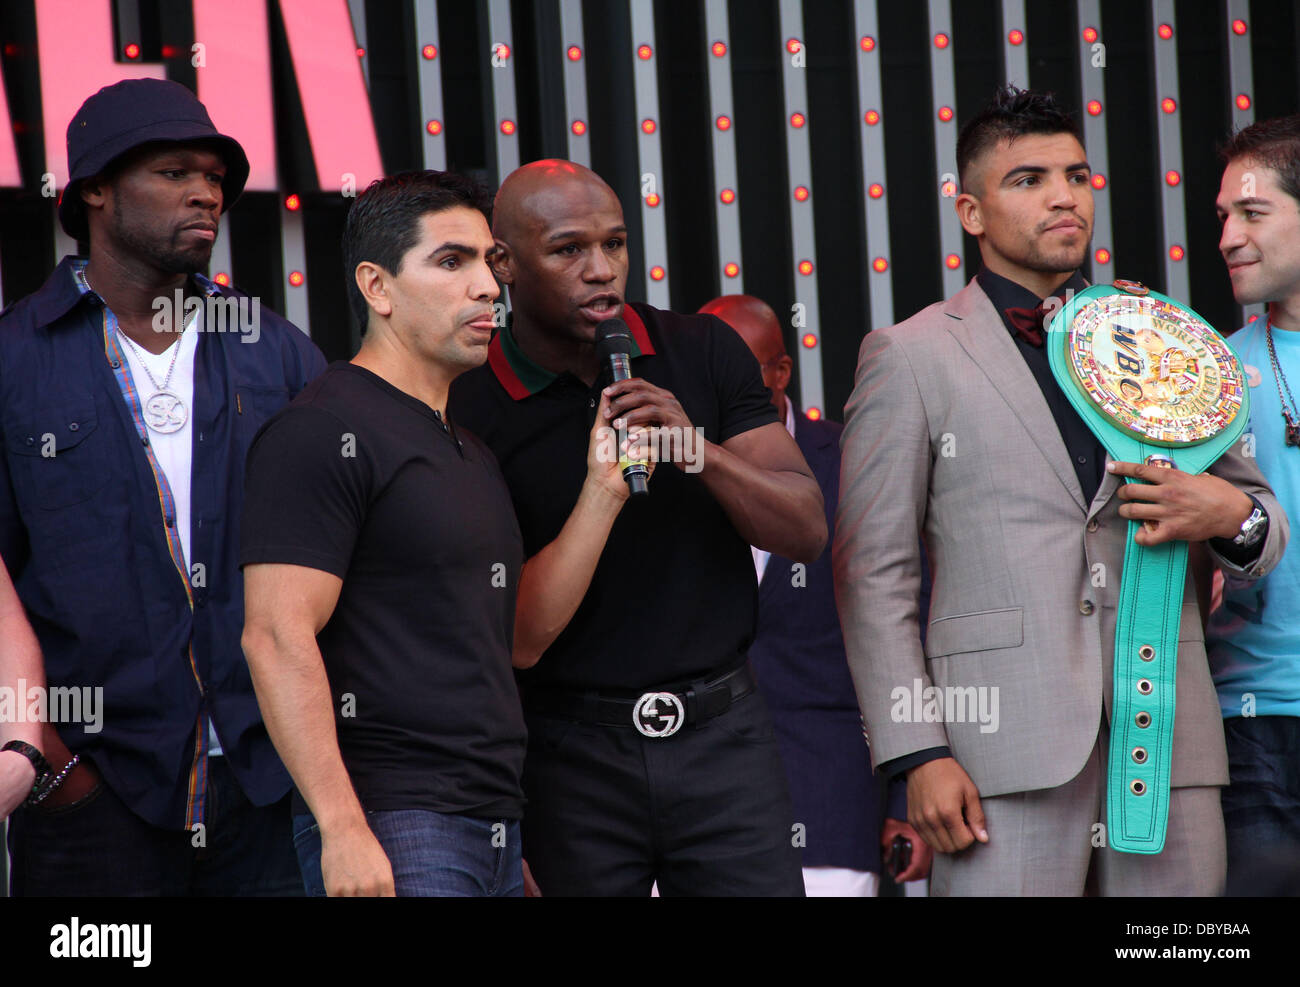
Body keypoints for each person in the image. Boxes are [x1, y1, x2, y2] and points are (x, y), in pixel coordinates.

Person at [833, 85, 1287, 896]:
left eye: (1076, 176)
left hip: (1169, 738)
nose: (1062, 197)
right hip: (998, 750)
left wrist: (1229, 516)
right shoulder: (910, 354)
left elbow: (1259, 518)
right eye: (1029, 179)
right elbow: (875, 572)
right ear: (971, 212)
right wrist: (918, 752)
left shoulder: (1155, 331)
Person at [240, 170, 650, 897]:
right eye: (451, 261)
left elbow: (518, 637)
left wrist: (601, 493)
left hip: (487, 822)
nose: (489, 288)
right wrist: (342, 825)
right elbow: (275, 634)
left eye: (491, 263)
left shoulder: (468, 448)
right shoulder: (323, 429)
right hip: (394, 818)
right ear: (378, 286)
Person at [449, 159, 826, 896]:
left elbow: (805, 527)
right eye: (568, 250)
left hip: (723, 733)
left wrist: (697, 449)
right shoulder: (469, 394)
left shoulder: (699, 350)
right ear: (505, 263)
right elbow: (507, 628)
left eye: (615, 244)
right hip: (565, 751)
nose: (601, 271)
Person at [0, 79, 326, 895]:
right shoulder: (12, 360)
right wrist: (54, 763)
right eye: (176, 171)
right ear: (95, 191)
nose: (206, 192)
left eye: (215, 176)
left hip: (266, 781)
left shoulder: (273, 350)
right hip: (94, 793)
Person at [699, 293, 931, 896]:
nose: (714, 379)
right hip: (688, 815)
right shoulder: (669, 468)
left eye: (735, 363)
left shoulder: (854, 460)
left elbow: (911, 622)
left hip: (827, 805)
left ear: (780, 371)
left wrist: (908, 791)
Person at [1209, 114, 1300, 888]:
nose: (1228, 237)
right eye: (1223, 218)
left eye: (1252, 212)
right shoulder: (1204, 373)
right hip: (1248, 719)